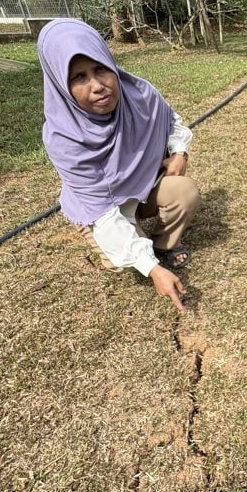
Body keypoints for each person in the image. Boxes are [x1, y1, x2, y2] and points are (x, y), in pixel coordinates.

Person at [39, 19, 200, 312]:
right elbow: (105, 214)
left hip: (144, 186)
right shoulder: (62, 138)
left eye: (101, 69)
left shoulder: (139, 94)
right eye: (79, 77)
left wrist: (180, 154)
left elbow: (172, 122)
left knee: (184, 192)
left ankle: (162, 245)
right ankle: (108, 236)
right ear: (61, 84)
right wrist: (150, 268)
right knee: (118, 261)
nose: (98, 86)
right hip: (103, 208)